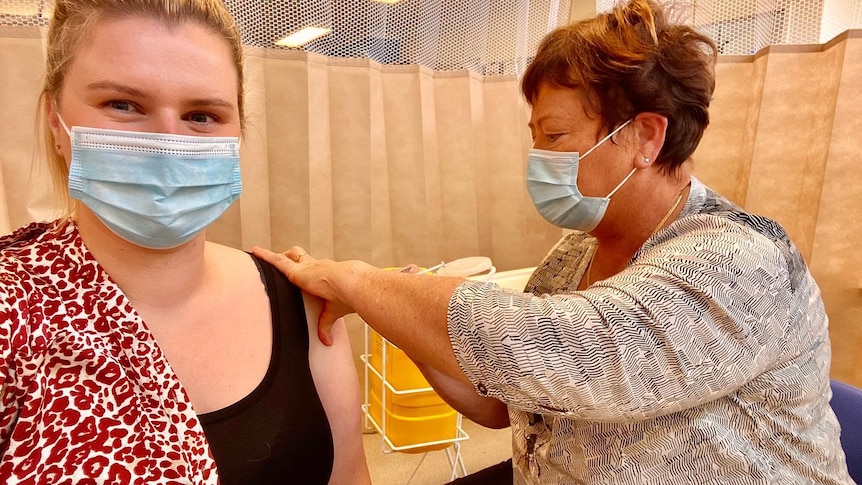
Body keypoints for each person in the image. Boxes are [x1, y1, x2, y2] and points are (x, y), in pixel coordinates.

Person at [253, 0, 854, 483]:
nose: (540, 159)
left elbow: (565, 352)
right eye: (537, 137)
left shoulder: (740, 261)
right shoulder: (579, 252)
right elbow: (501, 402)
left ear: (645, 137)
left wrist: (356, 280)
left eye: (557, 135)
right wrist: (403, 321)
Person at [0, 0, 370, 483]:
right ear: (55, 120)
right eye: (123, 105)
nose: (167, 143)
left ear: (238, 132)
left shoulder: (303, 306)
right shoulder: (15, 311)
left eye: (201, 115)